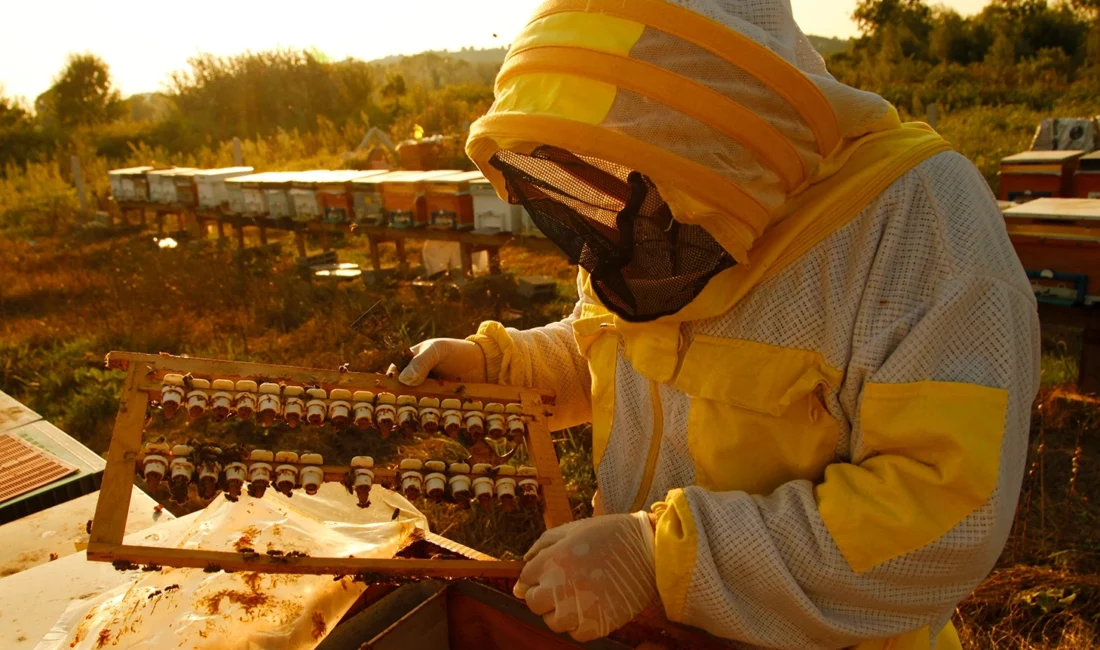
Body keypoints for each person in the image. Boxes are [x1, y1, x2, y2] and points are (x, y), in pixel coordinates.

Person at [399, 1, 1040, 647]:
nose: (622, 205)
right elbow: (620, 344)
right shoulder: (643, 186)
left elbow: (945, 513)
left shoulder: (918, 221)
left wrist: (660, 556)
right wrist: (505, 368)